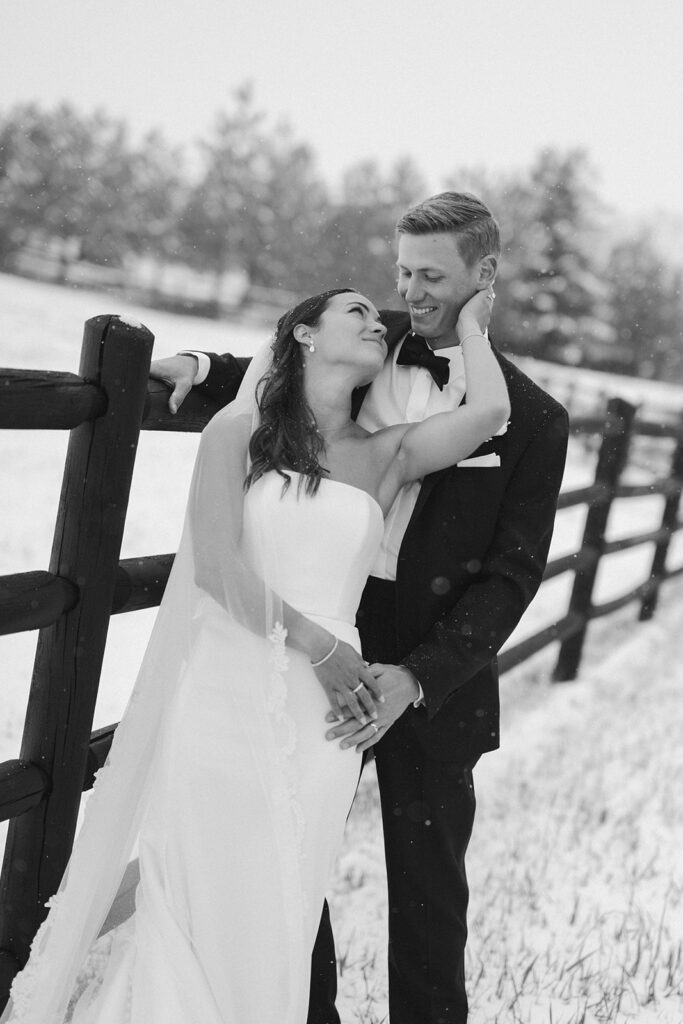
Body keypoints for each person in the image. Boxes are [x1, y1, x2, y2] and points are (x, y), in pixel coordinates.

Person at [1, 283, 508, 1024]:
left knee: (278, 894)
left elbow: (490, 413)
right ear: (302, 336)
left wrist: (471, 329)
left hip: (324, 716)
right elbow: (217, 571)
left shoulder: (385, 454)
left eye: (377, 315)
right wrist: (319, 646)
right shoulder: (237, 435)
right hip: (230, 676)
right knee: (190, 868)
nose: (377, 321)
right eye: (356, 312)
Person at [150, 192, 570, 1024]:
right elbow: (289, 367)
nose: (409, 292)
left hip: (427, 660)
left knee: (427, 888)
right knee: (284, 851)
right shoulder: (373, 339)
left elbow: (510, 577)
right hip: (314, 633)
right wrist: (202, 366)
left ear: (484, 275)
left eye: (432, 276)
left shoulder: (534, 420)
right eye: (402, 271)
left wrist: (415, 677)